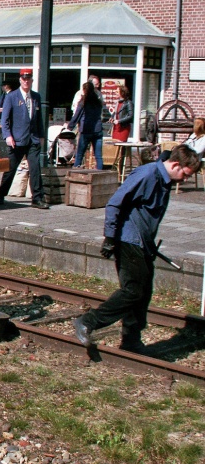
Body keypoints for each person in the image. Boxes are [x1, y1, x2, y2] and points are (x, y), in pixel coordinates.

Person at [73, 144, 201, 353]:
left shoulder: (163, 179)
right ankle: (88, 321)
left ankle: (131, 340)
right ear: (177, 165)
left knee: (143, 292)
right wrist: (110, 237)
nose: (185, 180)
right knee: (133, 291)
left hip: (142, 243)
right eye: (185, 174)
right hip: (127, 239)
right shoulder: (147, 174)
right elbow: (115, 203)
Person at [0, 68, 49, 209]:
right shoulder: (11, 97)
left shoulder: (36, 97)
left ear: (32, 80)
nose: (26, 81)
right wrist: (8, 136)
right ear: (20, 80)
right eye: (23, 79)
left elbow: (39, 119)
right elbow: (5, 119)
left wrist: (41, 136)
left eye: (28, 79)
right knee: (10, 169)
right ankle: (1, 193)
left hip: (33, 139)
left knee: (35, 169)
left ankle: (37, 198)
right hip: (17, 140)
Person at [67, 82, 105, 169]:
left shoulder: (83, 101)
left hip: (86, 130)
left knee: (79, 154)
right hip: (98, 130)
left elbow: (77, 115)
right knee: (98, 156)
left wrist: (69, 127)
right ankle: (99, 176)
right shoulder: (98, 102)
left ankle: (75, 173)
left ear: (84, 90)